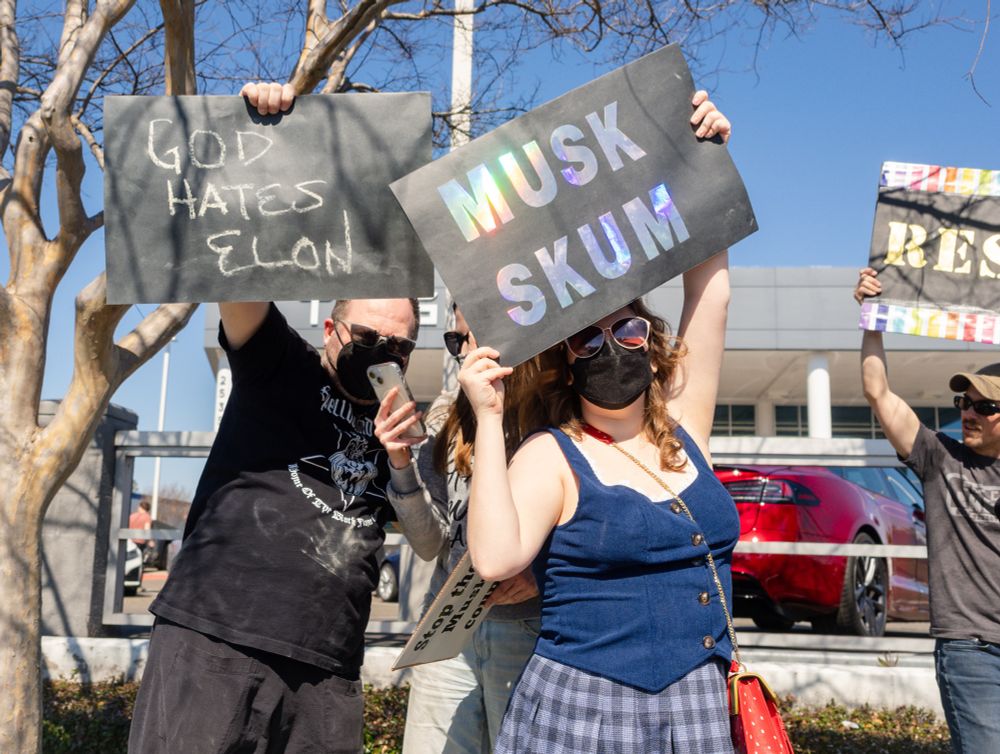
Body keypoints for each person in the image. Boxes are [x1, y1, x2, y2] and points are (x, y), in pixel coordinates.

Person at [128, 82, 445, 754]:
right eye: (367, 336)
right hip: (216, 640)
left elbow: (425, 541)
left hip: (328, 671)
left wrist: (400, 465)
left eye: (399, 345)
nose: (382, 353)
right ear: (330, 327)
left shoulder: (400, 420)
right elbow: (233, 273)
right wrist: (260, 139)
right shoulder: (282, 362)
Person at [457, 89, 738, 754]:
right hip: (584, 713)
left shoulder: (685, 431)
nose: (612, 345)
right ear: (566, 362)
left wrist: (705, 158)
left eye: (629, 328)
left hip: (697, 705)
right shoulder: (551, 457)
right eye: (588, 339)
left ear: (652, 338)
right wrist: (490, 416)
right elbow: (496, 558)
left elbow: (712, 288)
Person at [375, 303, 541, 754]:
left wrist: (543, 578)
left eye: (475, 336)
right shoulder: (448, 415)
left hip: (530, 630)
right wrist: (401, 464)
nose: (464, 352)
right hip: (451, 628)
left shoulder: (558, 412)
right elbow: (430, 544)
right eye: (455, 341)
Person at [855, 267, 1000, 754]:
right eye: (965, 401)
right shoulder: (941, 458)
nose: (968, 413)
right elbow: (879, 393)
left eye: (984, 407)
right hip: (972, 650)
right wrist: (871, 317)